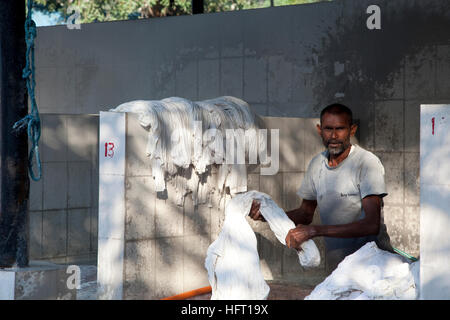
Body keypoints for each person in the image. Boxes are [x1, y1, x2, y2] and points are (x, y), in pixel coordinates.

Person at [249, 103, 392, 271]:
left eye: (340, 129)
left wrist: (314, 230)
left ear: (352, 130)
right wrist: (267, 214)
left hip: (372, 264)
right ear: (319, 130)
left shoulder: (366, 163)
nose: (333, 135)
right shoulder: (317, 164)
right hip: (338, 266)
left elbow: (371, 224)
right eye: (328, 129)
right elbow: (305, 214)